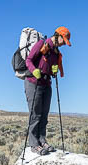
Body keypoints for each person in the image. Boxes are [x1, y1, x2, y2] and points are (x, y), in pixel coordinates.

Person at [25, 26, 71, 155]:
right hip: (33, 83)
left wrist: (54, 71)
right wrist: (34, 70)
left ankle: (42, 140)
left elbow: (49, 68)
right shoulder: (41, 44)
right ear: (58, 36)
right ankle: (34, 144)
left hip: (46, 83)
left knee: (44, 115)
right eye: (63, 40)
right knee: (35, 114)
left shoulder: (55, 52)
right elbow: (28, 60)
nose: (63, 44)